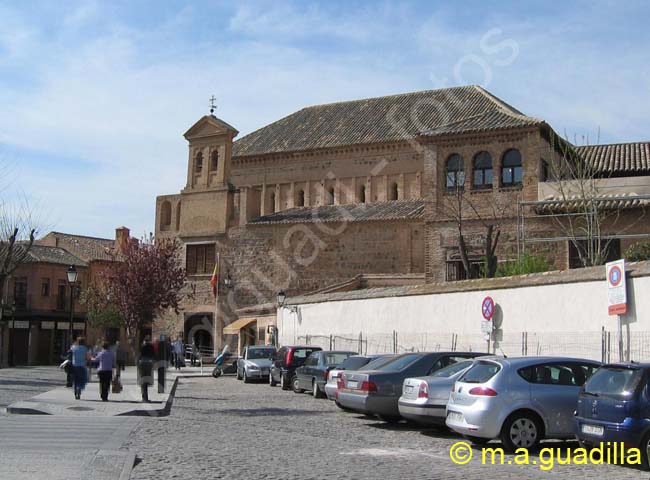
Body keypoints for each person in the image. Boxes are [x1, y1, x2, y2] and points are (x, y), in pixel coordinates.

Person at [138, 336, 155, 402]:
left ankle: (144, 397)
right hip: (149, 364)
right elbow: (153, 355)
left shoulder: (142, 346)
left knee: (143, 381)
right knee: (147, 381)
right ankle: (146, 397)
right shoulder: (151, 347)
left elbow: (139, 355)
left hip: (142, 364)